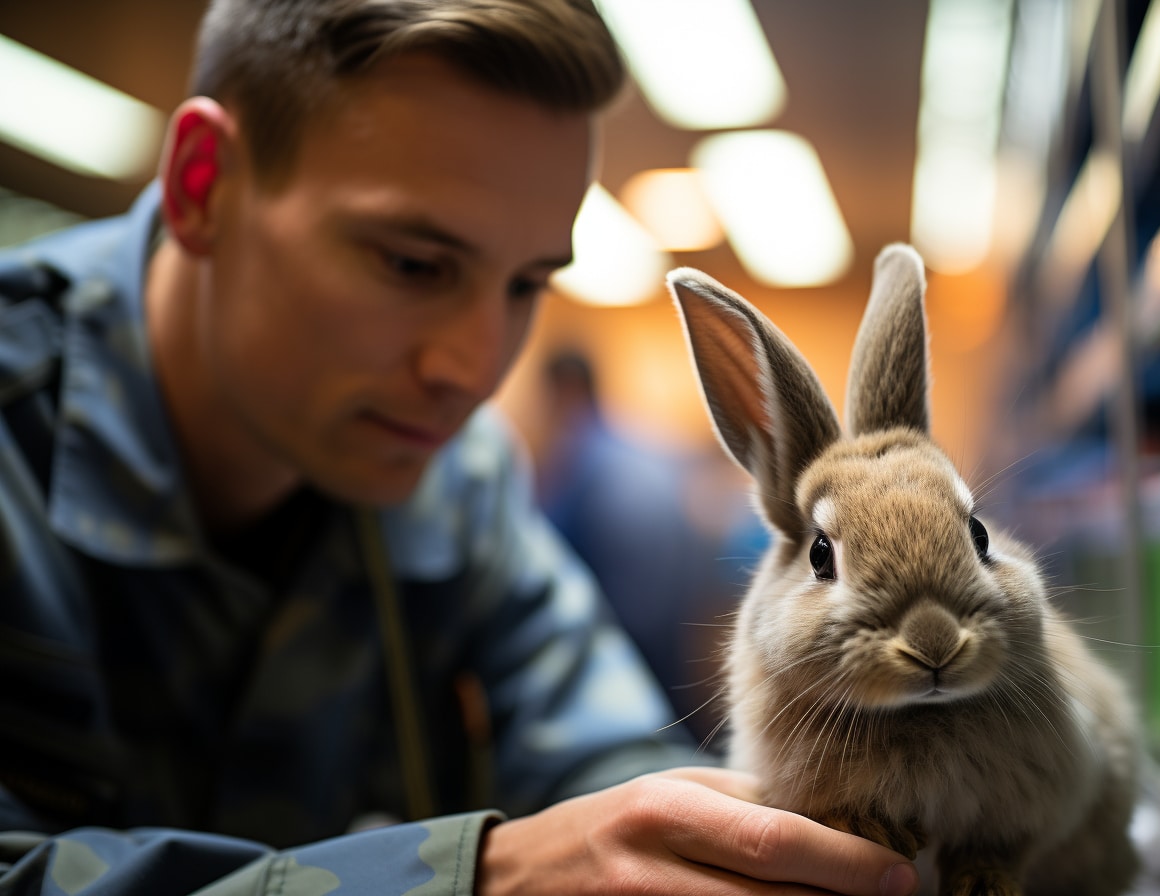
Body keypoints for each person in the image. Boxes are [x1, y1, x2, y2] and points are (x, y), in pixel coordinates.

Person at [0, 2, 920, 894]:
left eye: (525, 285)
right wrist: (481, 878)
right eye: (412, 264)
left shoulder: (456, 473)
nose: (475, 370)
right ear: (205, 183)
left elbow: (601, 749)